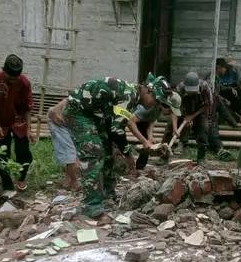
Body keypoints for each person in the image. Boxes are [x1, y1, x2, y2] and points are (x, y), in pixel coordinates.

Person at [48, 74, 179, 218]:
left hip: (97, 114)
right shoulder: (129, 95)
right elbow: (117, 131)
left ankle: (108, 194)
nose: (154, 105)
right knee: (94, 153)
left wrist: (124, 150)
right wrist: (129, 156)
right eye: (155, 100)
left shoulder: (133, 98)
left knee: (109, 150)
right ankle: (92, 205)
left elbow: (116, 126)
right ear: (148, 91)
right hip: (79, 112)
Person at [0, 55, 36, 192]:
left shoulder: (24, 83)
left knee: (23, 152)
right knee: (2, 154)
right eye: (10, 77)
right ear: (4, 71)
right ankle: (7, 186)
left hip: (19, 121)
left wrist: (29, 129)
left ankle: (21, 178)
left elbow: (27, 108)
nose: (13, 80)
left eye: (15, 78)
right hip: (1, 122)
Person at [165, 72, 232, 163]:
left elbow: (207, 105)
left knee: (204, 128)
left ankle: (201, 159)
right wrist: (175, 128)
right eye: (189, 91)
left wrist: (192, 117)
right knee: (169, 128)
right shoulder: (179, 89)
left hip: (200, 111)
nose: (191, 92)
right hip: (183, 110)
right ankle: (163, 156)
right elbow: (174, 108)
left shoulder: (205, 87)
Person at [111, 93, 181, 172]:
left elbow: (151, 121)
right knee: (118, 140)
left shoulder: (158, 109)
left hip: (142, 121)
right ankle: (118, 166)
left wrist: (150, 137)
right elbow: (130, 122)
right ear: (165, 105)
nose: (170, 114)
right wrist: (143, 140)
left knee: (148, 145)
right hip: (129, 119)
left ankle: (139, 168)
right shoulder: (145, 109)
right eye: (170, 111)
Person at [212, 57, 241, 126]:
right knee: (224, 105)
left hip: (218, 97)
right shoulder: (213, 78)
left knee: (232, 95)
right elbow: (214, 93)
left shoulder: (217, 77)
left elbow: (220, 88)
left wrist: (230, 88)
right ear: (218, 67)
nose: (225, 70)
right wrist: (224, 100)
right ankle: (237, 120)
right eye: (224, 68)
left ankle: (239, 116)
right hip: (213, 100)